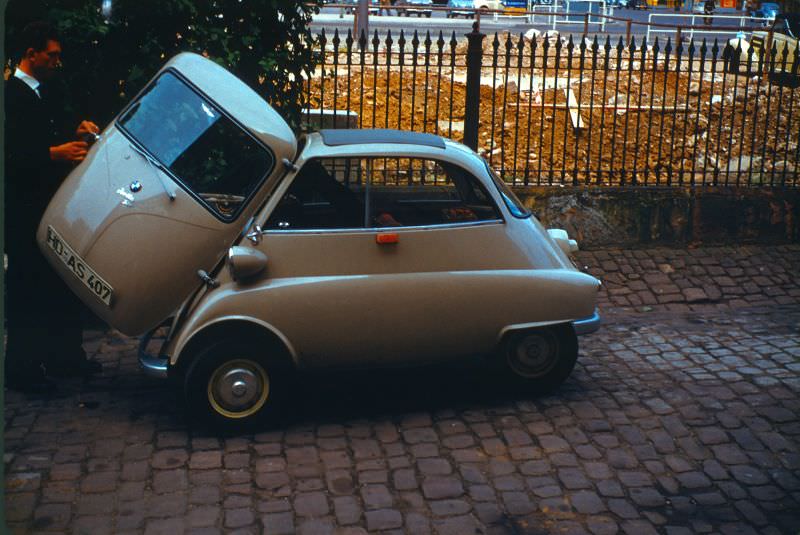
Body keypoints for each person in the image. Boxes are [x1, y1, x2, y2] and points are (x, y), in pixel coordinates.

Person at [5, 21, 102, 392]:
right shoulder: (11, 95)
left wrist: (76, 134)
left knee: (60, 285)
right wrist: (53, 153)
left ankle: (64, 358)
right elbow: (12, 156)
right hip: (25, 212)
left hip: (53, 209)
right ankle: (23, 371)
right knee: (29, 292)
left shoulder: (46, 92)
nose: (57, 61)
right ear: (32, 55)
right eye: (53, 54)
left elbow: (49, 134)